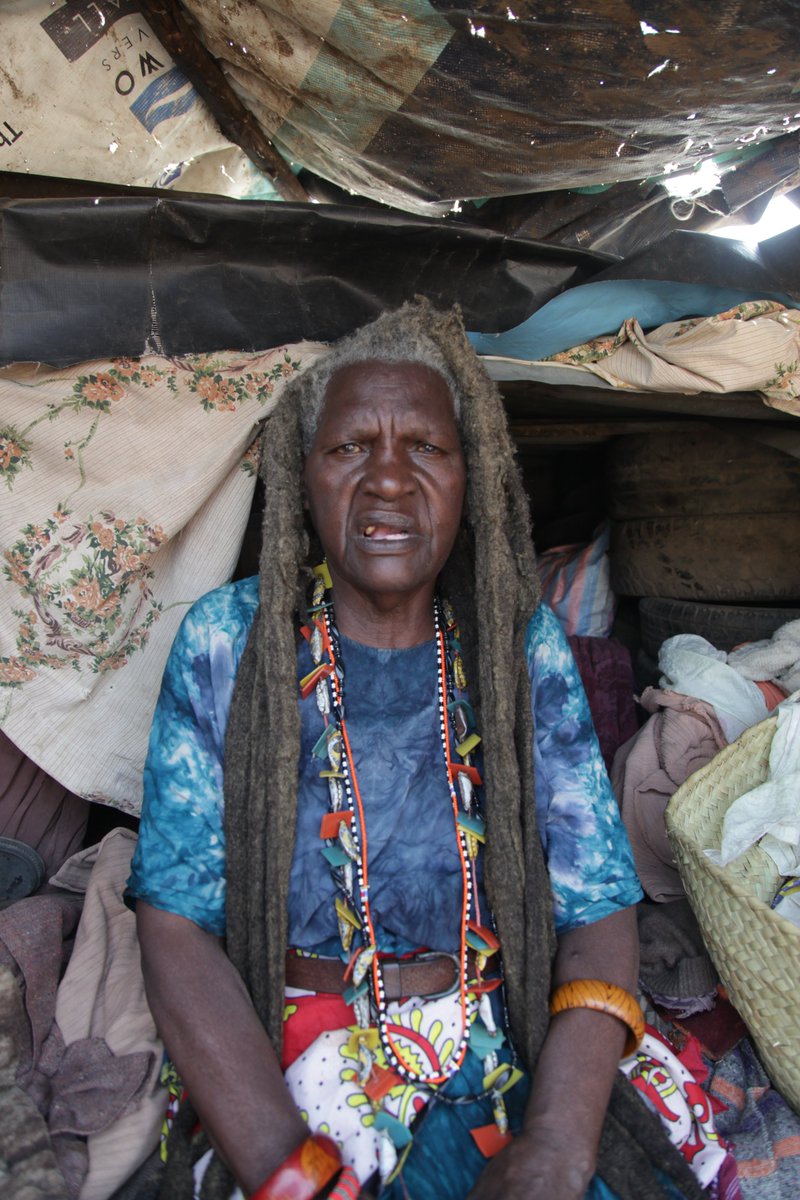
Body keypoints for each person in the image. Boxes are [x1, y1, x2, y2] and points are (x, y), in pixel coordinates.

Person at [127, 300, 703, 1200]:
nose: (389, 480)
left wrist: (554, 1141)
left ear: (472, 477)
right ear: (302, 474)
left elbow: (596, 905)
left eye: (426, 449)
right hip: (292, 1057)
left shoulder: (516, 647)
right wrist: (290, 1169)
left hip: (498, 1034)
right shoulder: (226, 642)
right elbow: (176, 926)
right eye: (350, 447)